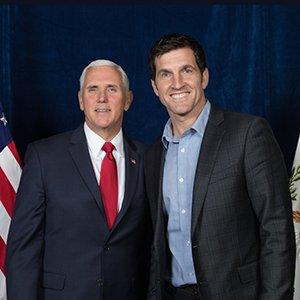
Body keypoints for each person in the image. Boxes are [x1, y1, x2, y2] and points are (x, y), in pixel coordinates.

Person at [144, 33, 296, 300]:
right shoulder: (154, 154)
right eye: (166, 74)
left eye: (186, 70)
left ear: (204, 77)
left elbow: (276, 229)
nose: (177, 83)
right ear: (155, 87)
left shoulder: (248, 133)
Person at [6, 59, 150, 300]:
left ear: (128, 100)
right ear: (81, 100)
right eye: (93, 89)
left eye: (112, 89)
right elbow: (23, 249)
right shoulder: (45, 157)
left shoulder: (148, 157)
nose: (102, 98)